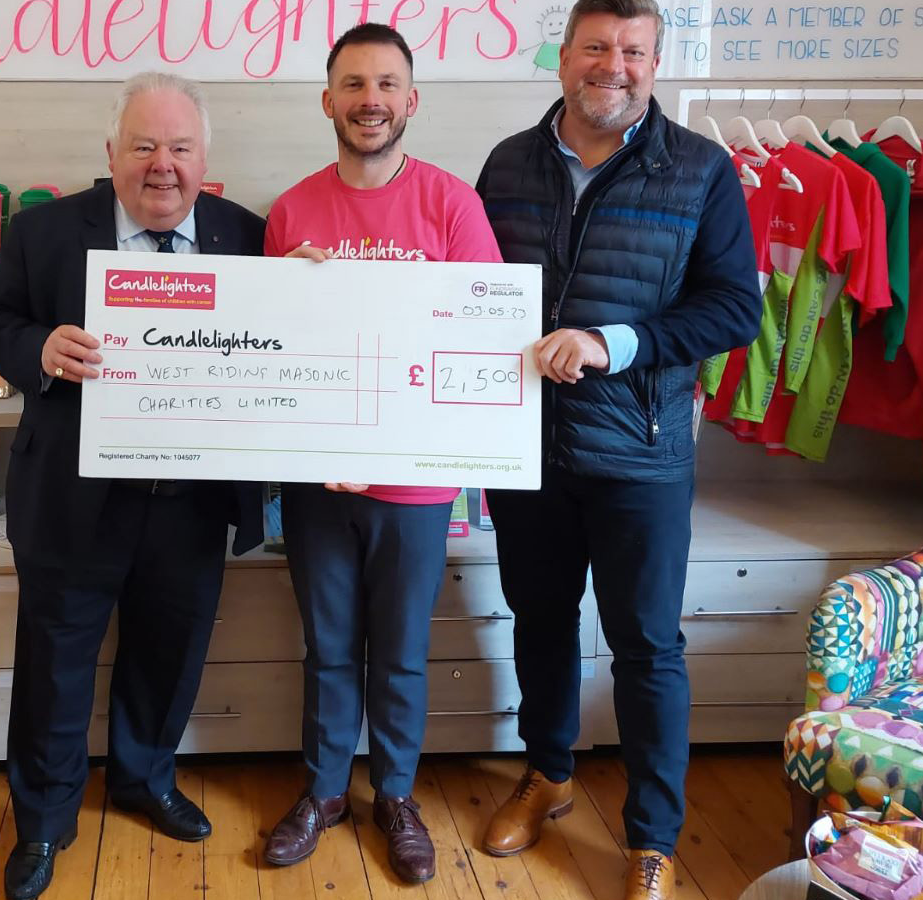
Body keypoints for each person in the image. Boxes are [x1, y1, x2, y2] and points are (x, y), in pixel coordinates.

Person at [472, 2, 760, 898]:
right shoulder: (507, 163)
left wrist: (612, 343)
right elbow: (462, 283)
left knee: (645, 646)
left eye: (633, 51)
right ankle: (550, 774)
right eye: (597, 47)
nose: (615, 66)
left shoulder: (704, 171)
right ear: (564, 58)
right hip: (526, 447)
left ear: (654, 61)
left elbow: (732, 308)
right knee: (541, 620)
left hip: (641, 450)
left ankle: (652, 836)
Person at [0, 71, 266, 900]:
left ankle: (143, 780)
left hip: (192, 505)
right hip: (72, 499)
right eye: (144, 146)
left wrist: (306, 292)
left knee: (167, 658)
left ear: (206, 158)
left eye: (180, 147)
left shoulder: (249, 236)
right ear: (111, 154)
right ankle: (43, 823)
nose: (162, 164)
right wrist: (40, 351)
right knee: (55, 665)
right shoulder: (45, 233)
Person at [258, 23, 502, 886]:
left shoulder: (451, 205)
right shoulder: (290, 210)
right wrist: (288, 288)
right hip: (318, 481)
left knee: (399, 648)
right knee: (327, 646)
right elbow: (271, 353)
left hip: (417, 483)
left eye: (387, 84)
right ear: (328, 101)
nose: (371, 100)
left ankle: (394, 792)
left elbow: (484, 338)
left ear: (411, 100)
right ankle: (324, 791)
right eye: (354, 84)